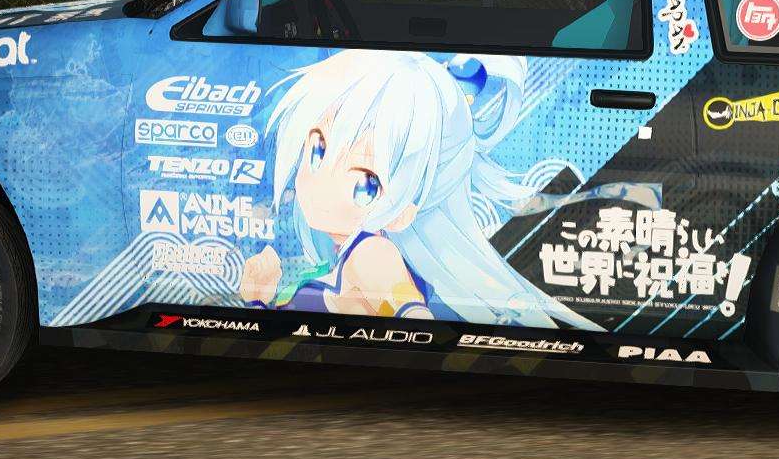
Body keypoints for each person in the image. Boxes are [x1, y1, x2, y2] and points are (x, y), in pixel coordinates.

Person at [239, 49, 596, 330]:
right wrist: (259, 297)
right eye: (318, 150)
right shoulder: (354, 254)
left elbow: (412, 316)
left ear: (404, 212)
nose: (323, 182)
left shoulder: (372, 254)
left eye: (365, 183)